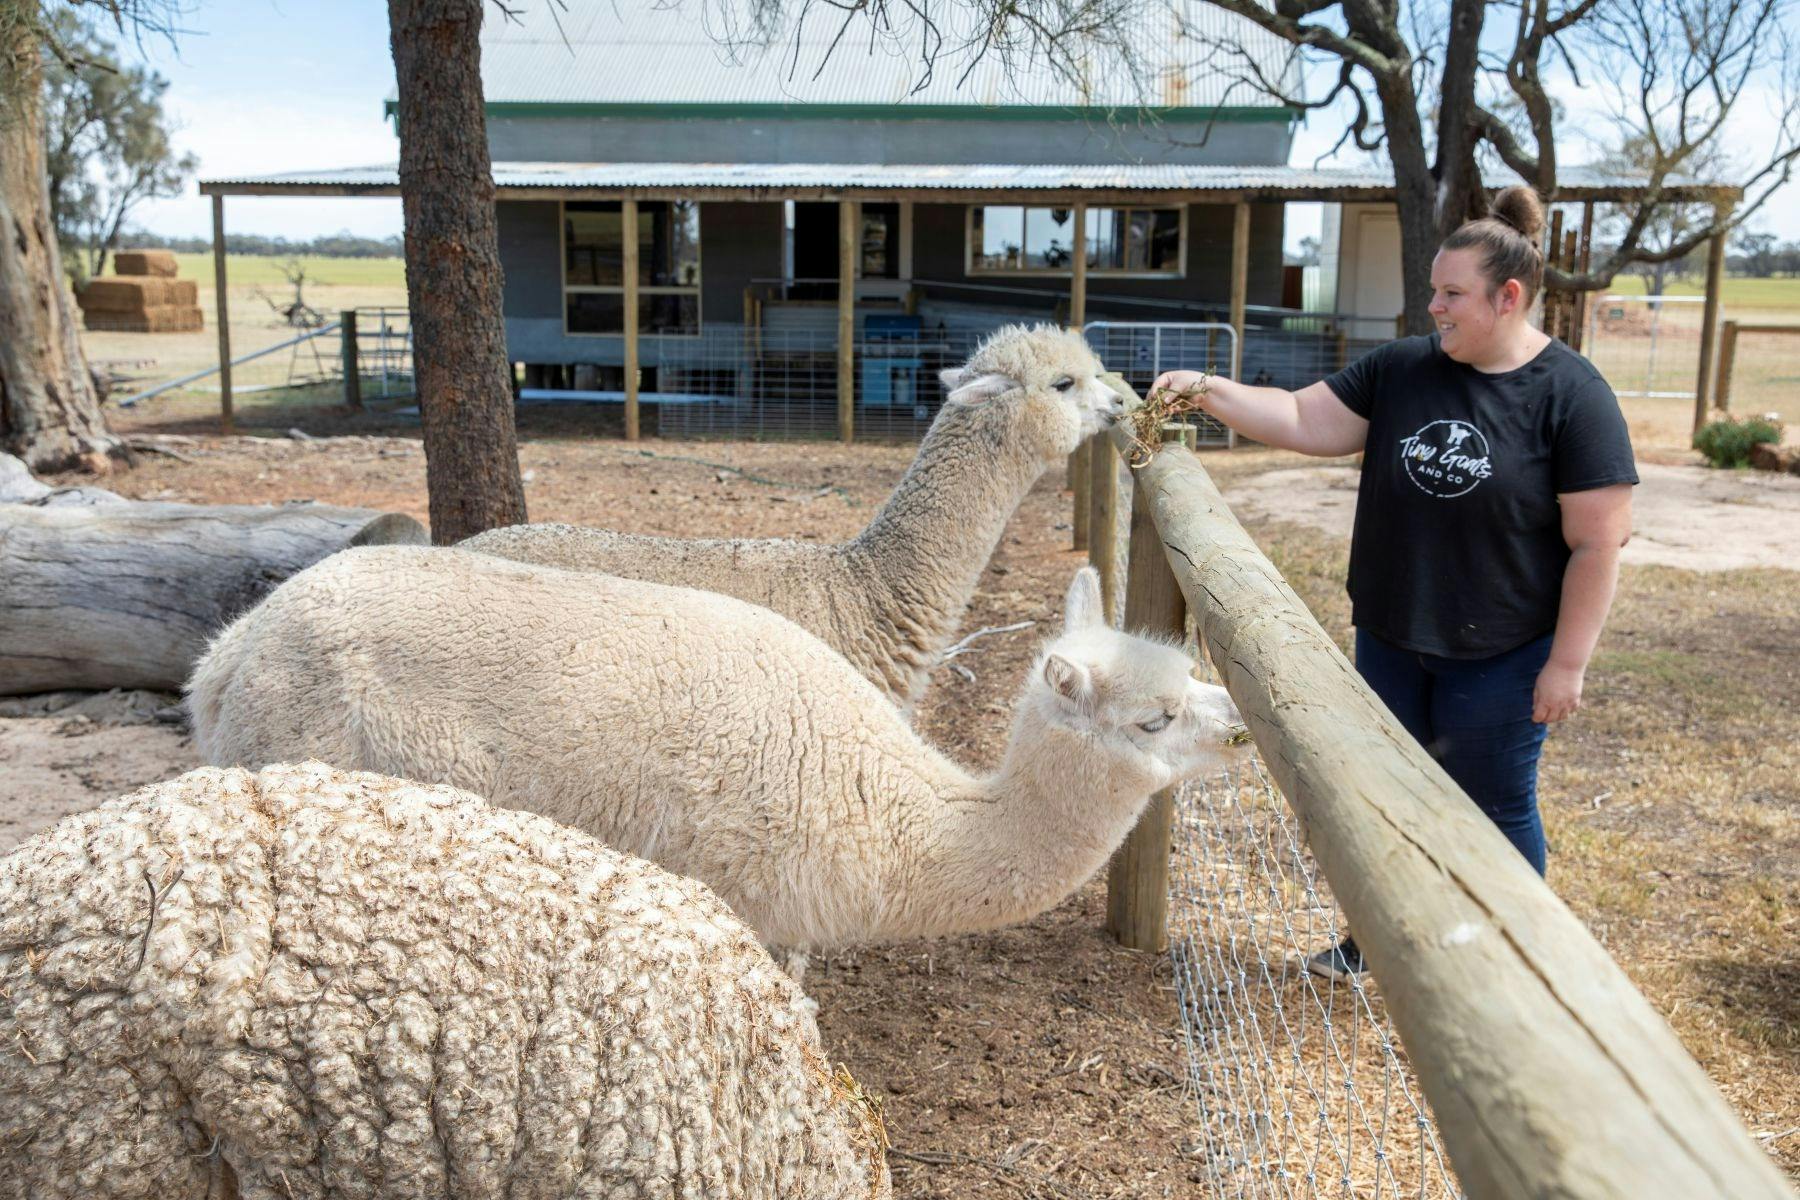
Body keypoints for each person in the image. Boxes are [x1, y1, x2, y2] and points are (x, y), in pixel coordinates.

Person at [1152, 186, 1636, 981]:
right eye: (1433, 292)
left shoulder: (1572, 396)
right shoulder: (1407, 369)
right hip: (1393, 634)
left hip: (1505, 650)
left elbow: (1598, 542)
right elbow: (1306, 420)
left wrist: (1568, 664)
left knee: (1494, 804)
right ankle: (1377, 939)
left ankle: (1517, 964)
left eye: (1451, 295)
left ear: (1507, 297)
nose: (1434, 308)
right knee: (1387, 795)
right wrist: (1207, 391)